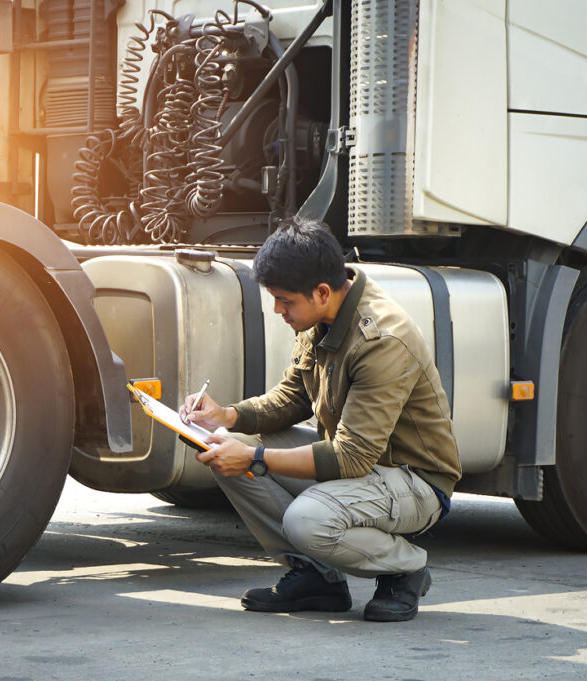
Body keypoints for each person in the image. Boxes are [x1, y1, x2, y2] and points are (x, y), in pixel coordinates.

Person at [180, 217, 461, 622]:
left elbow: (350, 459)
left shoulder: (381, 339)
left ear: (322, 291)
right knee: (221, 449)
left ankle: (406, 568)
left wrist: (255, 457)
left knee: (307, 518)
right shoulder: (321, 315)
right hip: (363, 467)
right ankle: (316, 578)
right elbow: (293, 398)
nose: (278, 309)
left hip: (414, 480)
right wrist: (226, 415)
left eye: (285, 301)